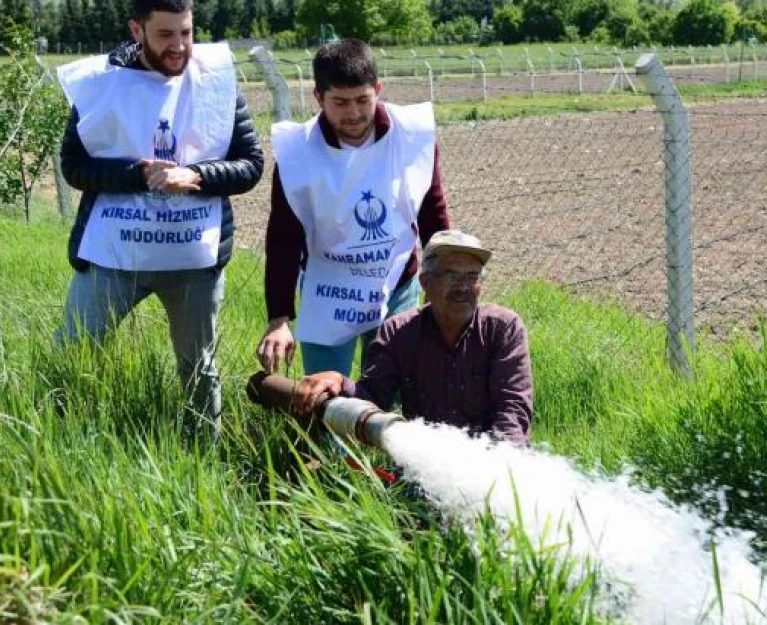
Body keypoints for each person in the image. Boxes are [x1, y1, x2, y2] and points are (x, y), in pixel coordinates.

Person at [54, 0, 264, 435]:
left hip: (192, 263)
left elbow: (250, 165)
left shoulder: (216, 82)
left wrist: (200, 175)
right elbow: (74, 166)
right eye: (166, 35)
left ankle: (205, 451)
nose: (179, 46)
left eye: (186, 33)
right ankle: (62, 437)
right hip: (112, 257)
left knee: (198, 369)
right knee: (72, 352)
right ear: (137, 29)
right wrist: (136, 174)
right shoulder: (101, 85)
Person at [256, 38, 450, 378]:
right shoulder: (297, 154)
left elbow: (432, 211)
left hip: (396, 284)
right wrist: (279, 319)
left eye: (363, 99)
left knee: (392, 392)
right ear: (318, 97)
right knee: (324, 400)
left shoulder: (412, 136)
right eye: (340, 102)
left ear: (378, 88)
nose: (355, 113)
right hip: (328, 291)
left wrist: (444, 282)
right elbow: (284, 239)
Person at [249, 230, 533, 446]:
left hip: (496, 458)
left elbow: (513, 412)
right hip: (426, 461)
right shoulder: (399, 332)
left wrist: (499, 472)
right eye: (451, 276)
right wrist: (339, 382)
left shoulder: (503, 329)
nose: (464, 287)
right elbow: (373, 398)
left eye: (472, 277)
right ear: (425, 283)